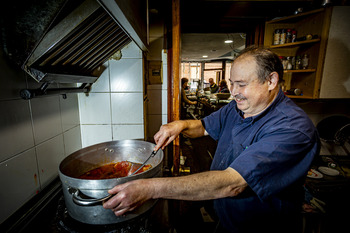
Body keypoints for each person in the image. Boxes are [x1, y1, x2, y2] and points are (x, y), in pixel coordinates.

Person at [103, 46, 320, 233]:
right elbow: (204, 127)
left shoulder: (292, 129)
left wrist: (149, 188)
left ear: (271, 80)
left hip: (261, 227)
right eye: (231, 83)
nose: (234, 92)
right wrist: (180, 125)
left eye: (241, 84)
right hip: (226, 218)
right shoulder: (237, 109)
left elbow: (232, 184)